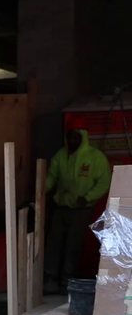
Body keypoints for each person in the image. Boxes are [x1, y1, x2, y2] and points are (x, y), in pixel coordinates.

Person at [44, 124, 111, 294]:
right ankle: (51, 278)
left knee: (73, 245)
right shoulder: (61, 156)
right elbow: (52, 177)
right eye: (70, 137)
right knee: (54, 243)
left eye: (76, 138)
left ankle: (68, 281)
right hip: (61, 207)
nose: (72, 141)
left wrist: (87, 198)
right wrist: (41, 191)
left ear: (83, 138)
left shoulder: (95, 157)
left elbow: (104, 182)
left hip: (82, 209)